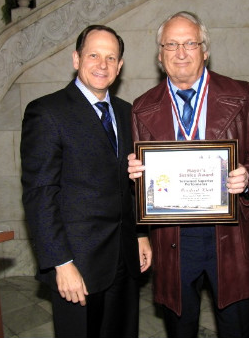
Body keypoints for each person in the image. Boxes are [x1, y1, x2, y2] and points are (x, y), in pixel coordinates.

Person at [127, 11, 249, 338]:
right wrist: (135, 175)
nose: (181, 52)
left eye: (190, 43)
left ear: (205, 50)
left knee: (236, 328)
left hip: (230, 233)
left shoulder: (241, 95)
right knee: (180, 329)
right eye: (171, 44)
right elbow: (139, 182)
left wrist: (248, 174)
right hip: (173, 238)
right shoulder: (141, 107)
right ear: (160, 54)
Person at [21, 24, 152, 338]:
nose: (102, 64)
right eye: (93, 54)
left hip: (124, 260)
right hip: (77, 264)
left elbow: (130, 182)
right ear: (76, 59)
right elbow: (40, 194)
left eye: (111, 57)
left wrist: (140, 233)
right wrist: (60, 263)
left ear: (120, 67)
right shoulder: (46, 112)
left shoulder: (127, 112)